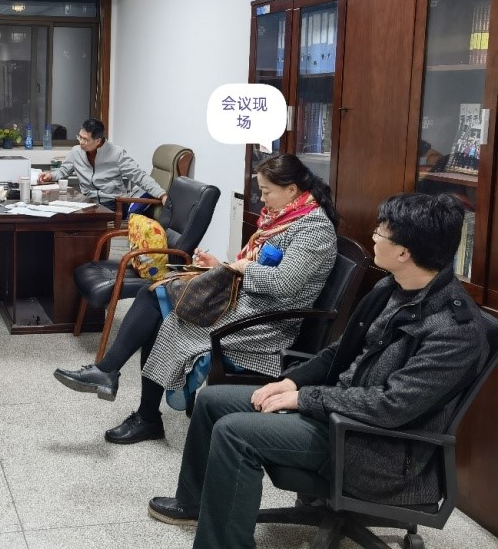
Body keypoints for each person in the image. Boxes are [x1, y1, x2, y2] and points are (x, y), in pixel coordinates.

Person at [146, 192, 487, 549]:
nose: (373, 236)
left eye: (381, 232)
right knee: (212, 401)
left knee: (236, 433)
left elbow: (391, 406)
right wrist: (292, 381)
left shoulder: (454, 331)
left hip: (378, 448)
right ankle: (193, 504)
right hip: (341, 412)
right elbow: (340, 351)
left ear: (404, 252)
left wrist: (305, 399)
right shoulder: (393, 287)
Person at [54, 153, 338, 445]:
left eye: (267, 192)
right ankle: (121, 388)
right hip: (249, 302)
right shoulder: (284, 217)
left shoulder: (313, 229)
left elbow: (284, 283)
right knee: (155, 295)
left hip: (267, 324)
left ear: (291, 189)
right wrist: (221, 267)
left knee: (166, 314)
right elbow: (261, 268)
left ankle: (131, 399)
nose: (262, 200)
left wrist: (243, 268)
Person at [37, 118, 167, 212]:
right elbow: (63, 171)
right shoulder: (76, 151)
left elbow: (139, 176)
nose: (81, 142)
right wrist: (51, 175)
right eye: (80, 137)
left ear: (98, 141)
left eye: (85, 139)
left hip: (112, 203)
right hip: (87, 202)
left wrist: (162, 194)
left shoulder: (117, 153)